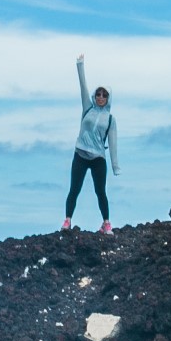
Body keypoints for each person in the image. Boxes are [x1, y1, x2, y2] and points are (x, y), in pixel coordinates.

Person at [64, 54, 117, 232]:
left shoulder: (110, 119)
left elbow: (113, 143)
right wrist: (80, 65)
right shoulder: (87, 108)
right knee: (74, 189)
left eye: (104, 95)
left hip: (98, 158)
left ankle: (106, 223)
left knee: (100, 192)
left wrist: (116, 166)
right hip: (80, 154)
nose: (100, 97)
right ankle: (67, 220)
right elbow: (83, 87)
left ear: (109, 98)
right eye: (98, 94)